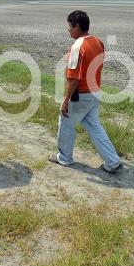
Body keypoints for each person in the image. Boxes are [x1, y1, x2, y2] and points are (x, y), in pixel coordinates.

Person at [48, 10, 122, 173]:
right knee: (94, 126)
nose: (68, 29)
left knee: (66, 124)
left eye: (70, 26)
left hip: (80, 94)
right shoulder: (98, 41)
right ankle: (112, 161)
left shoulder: (78, 46)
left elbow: (74, 78)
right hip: (95, 92)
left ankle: (64, 158)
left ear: (77, 26)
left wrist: (66, 101)